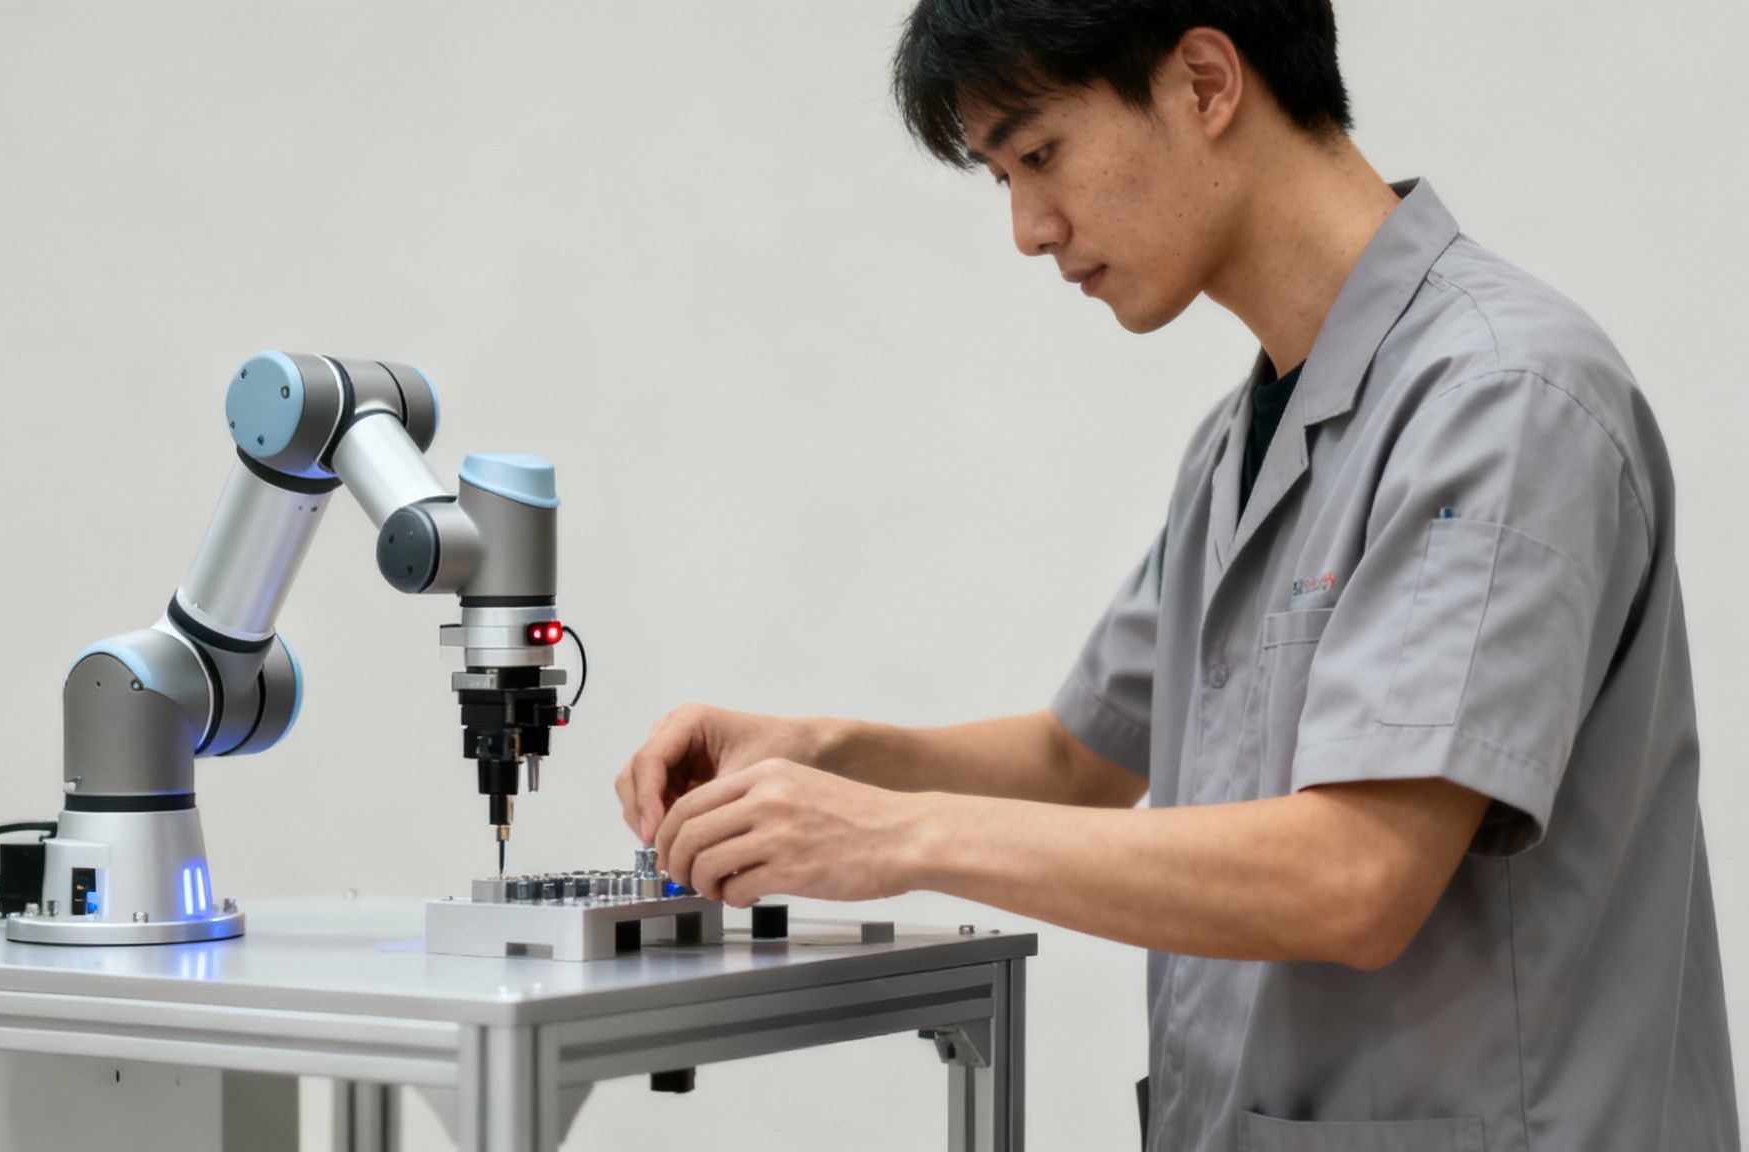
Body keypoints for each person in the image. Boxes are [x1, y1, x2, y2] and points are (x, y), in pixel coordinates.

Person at [611, 2, 1739, 1148]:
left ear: (1203, 81)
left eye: (1037, 153)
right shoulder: (1237, 445)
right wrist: (827, 756)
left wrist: (894, 839)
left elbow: (1355, 875)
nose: (1025, 229)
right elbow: (1075, 759)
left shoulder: (1501, 400)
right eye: (998, 176)